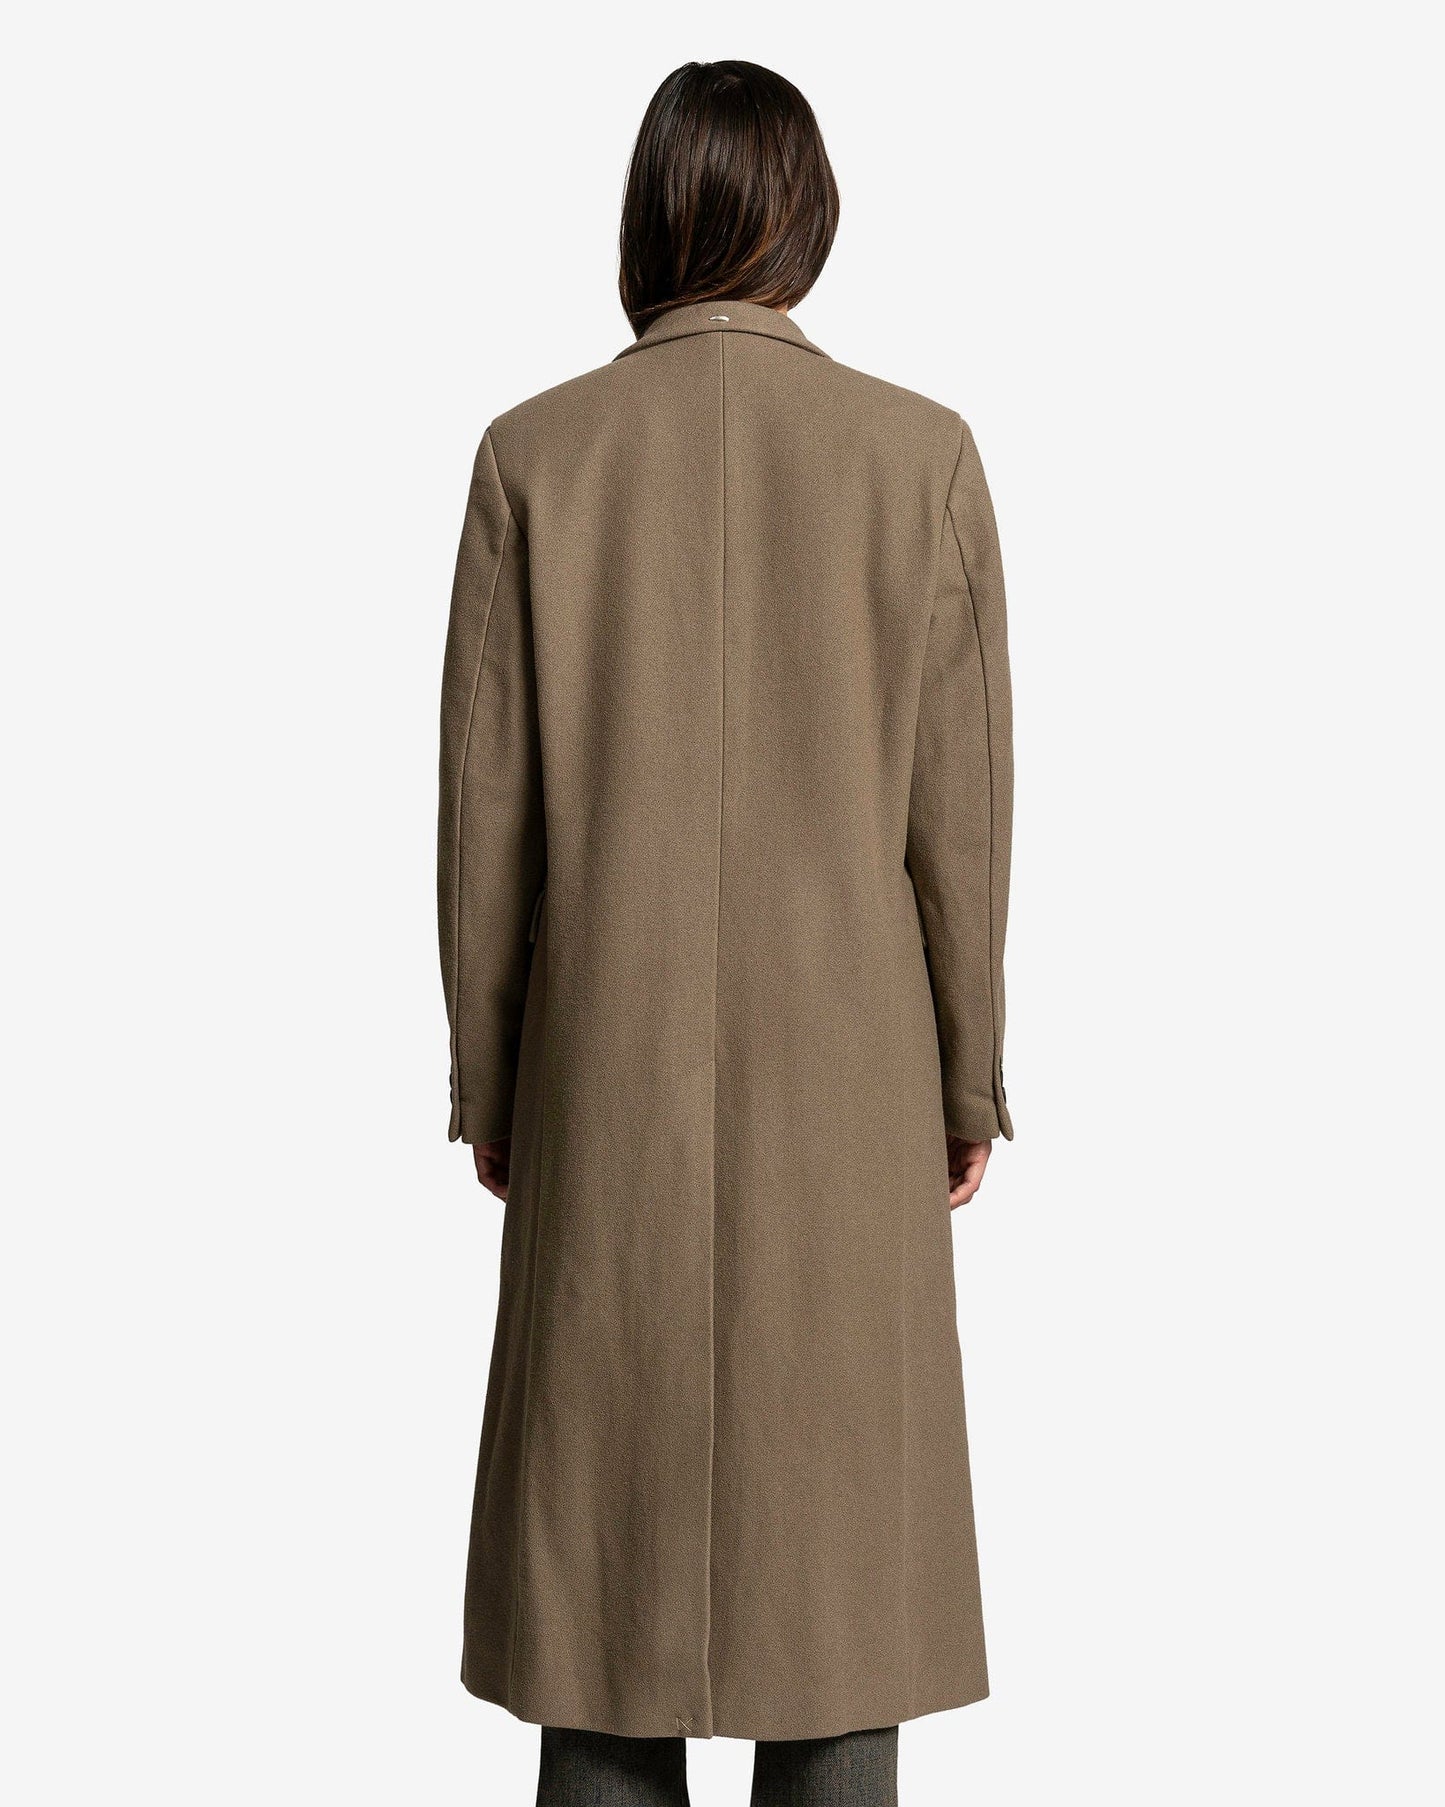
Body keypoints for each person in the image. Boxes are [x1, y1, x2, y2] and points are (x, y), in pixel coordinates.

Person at [438, 59, 1014, 1807]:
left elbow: (484, 818)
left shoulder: (535, 455)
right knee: (836, 1624)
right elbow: (960, 819)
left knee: (596, 1627)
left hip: (602, 1092)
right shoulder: (916, 456)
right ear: (806, 220)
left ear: (647, 218)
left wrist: (496, 1089)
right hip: (846, 1104)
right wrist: (965, 1083)